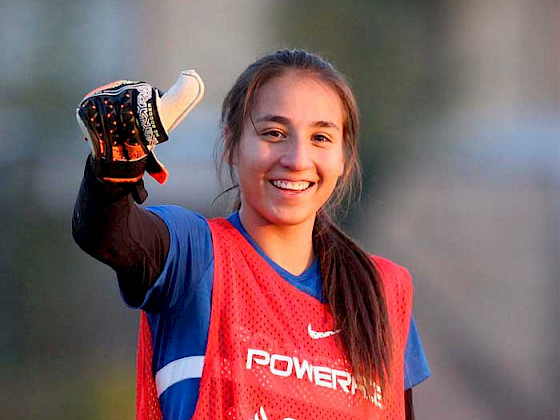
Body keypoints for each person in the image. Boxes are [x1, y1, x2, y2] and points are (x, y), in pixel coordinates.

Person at [73, 49, 430, 420]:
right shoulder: (196, 257)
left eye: (321, 138)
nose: (296, 159)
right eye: (273, 133)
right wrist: (111, 172)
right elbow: (109, 234)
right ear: (232, 144)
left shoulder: (384, 291)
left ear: (344, 157)